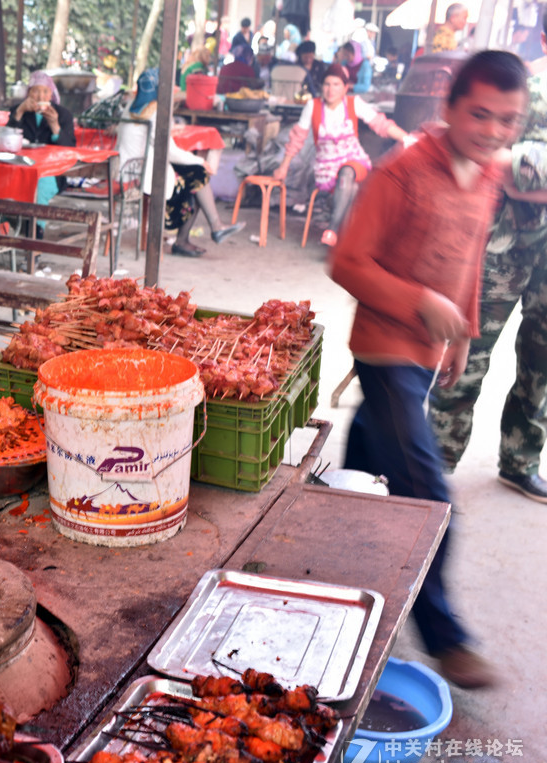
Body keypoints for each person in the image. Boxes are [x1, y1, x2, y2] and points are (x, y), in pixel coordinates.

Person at [331, 50, 529, 690]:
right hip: (386, 352)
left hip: (429, 354)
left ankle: (330, 548)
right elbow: (348, 265)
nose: (494, 131)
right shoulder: (401, 174)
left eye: (509, 119)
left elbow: (469, 257)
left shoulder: (491, 173)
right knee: (429, 495)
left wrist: (464, 332)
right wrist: (422, 303)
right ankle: (446, 639)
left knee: (368, 458)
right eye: (480, 114)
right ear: (448, 109)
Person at [431, 30, 547, 503]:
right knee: (466, 363)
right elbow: (509, 169)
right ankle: (434, 465)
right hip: (501, 250)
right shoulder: (527, 94)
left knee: (540, 368)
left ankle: (520, 461)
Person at [272, 64, 408, 247]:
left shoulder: (354, 103)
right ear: (322, 87)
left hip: (355, 160)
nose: (331, 90)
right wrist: (283, 167)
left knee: (347, 172)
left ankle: (332, 229)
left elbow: (380, 124)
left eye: (336, 85)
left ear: (345, 88)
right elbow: (297, 139)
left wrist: (406, 139)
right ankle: (346, 239)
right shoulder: (313, 107)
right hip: (326, 168)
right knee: (350, 188)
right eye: (327, 84)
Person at [116, 69, 244, 258]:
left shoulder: (130, 107)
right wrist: (199, 160)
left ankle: (211, 228)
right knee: (197, 177)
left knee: (196, 174)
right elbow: (169, 151)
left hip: (127, 170)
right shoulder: (155, 112)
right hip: (142, 175)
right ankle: (191, 237)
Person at [10, 70, 76, 203]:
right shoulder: (19, 110)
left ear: (51, 94)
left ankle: (36, 224)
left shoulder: (63, 115)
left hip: (51, 170)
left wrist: (55, 126)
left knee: (39, 189)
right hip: (21, 166)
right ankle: (9, 221)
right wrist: (19, 112)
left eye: (45, 91)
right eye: (35, 91)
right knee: (10, 186)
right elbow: (8, 138)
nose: (40, 97)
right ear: (29, 93)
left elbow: (70, 148)